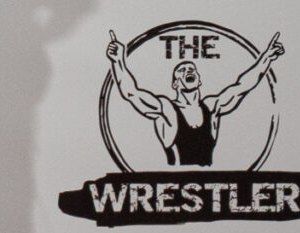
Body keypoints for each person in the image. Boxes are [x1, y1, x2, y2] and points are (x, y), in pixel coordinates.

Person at [106, 31, 284, 167]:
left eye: (192, 69)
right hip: (173, 190)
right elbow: (131, 93)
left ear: (199, 80)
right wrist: (118, 61)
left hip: (208, 191)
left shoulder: (212, 106)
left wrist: (266, 58)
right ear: (175, 84)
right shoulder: (167, 109)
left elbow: (242, 86)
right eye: (182, 71)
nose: (188, 71)